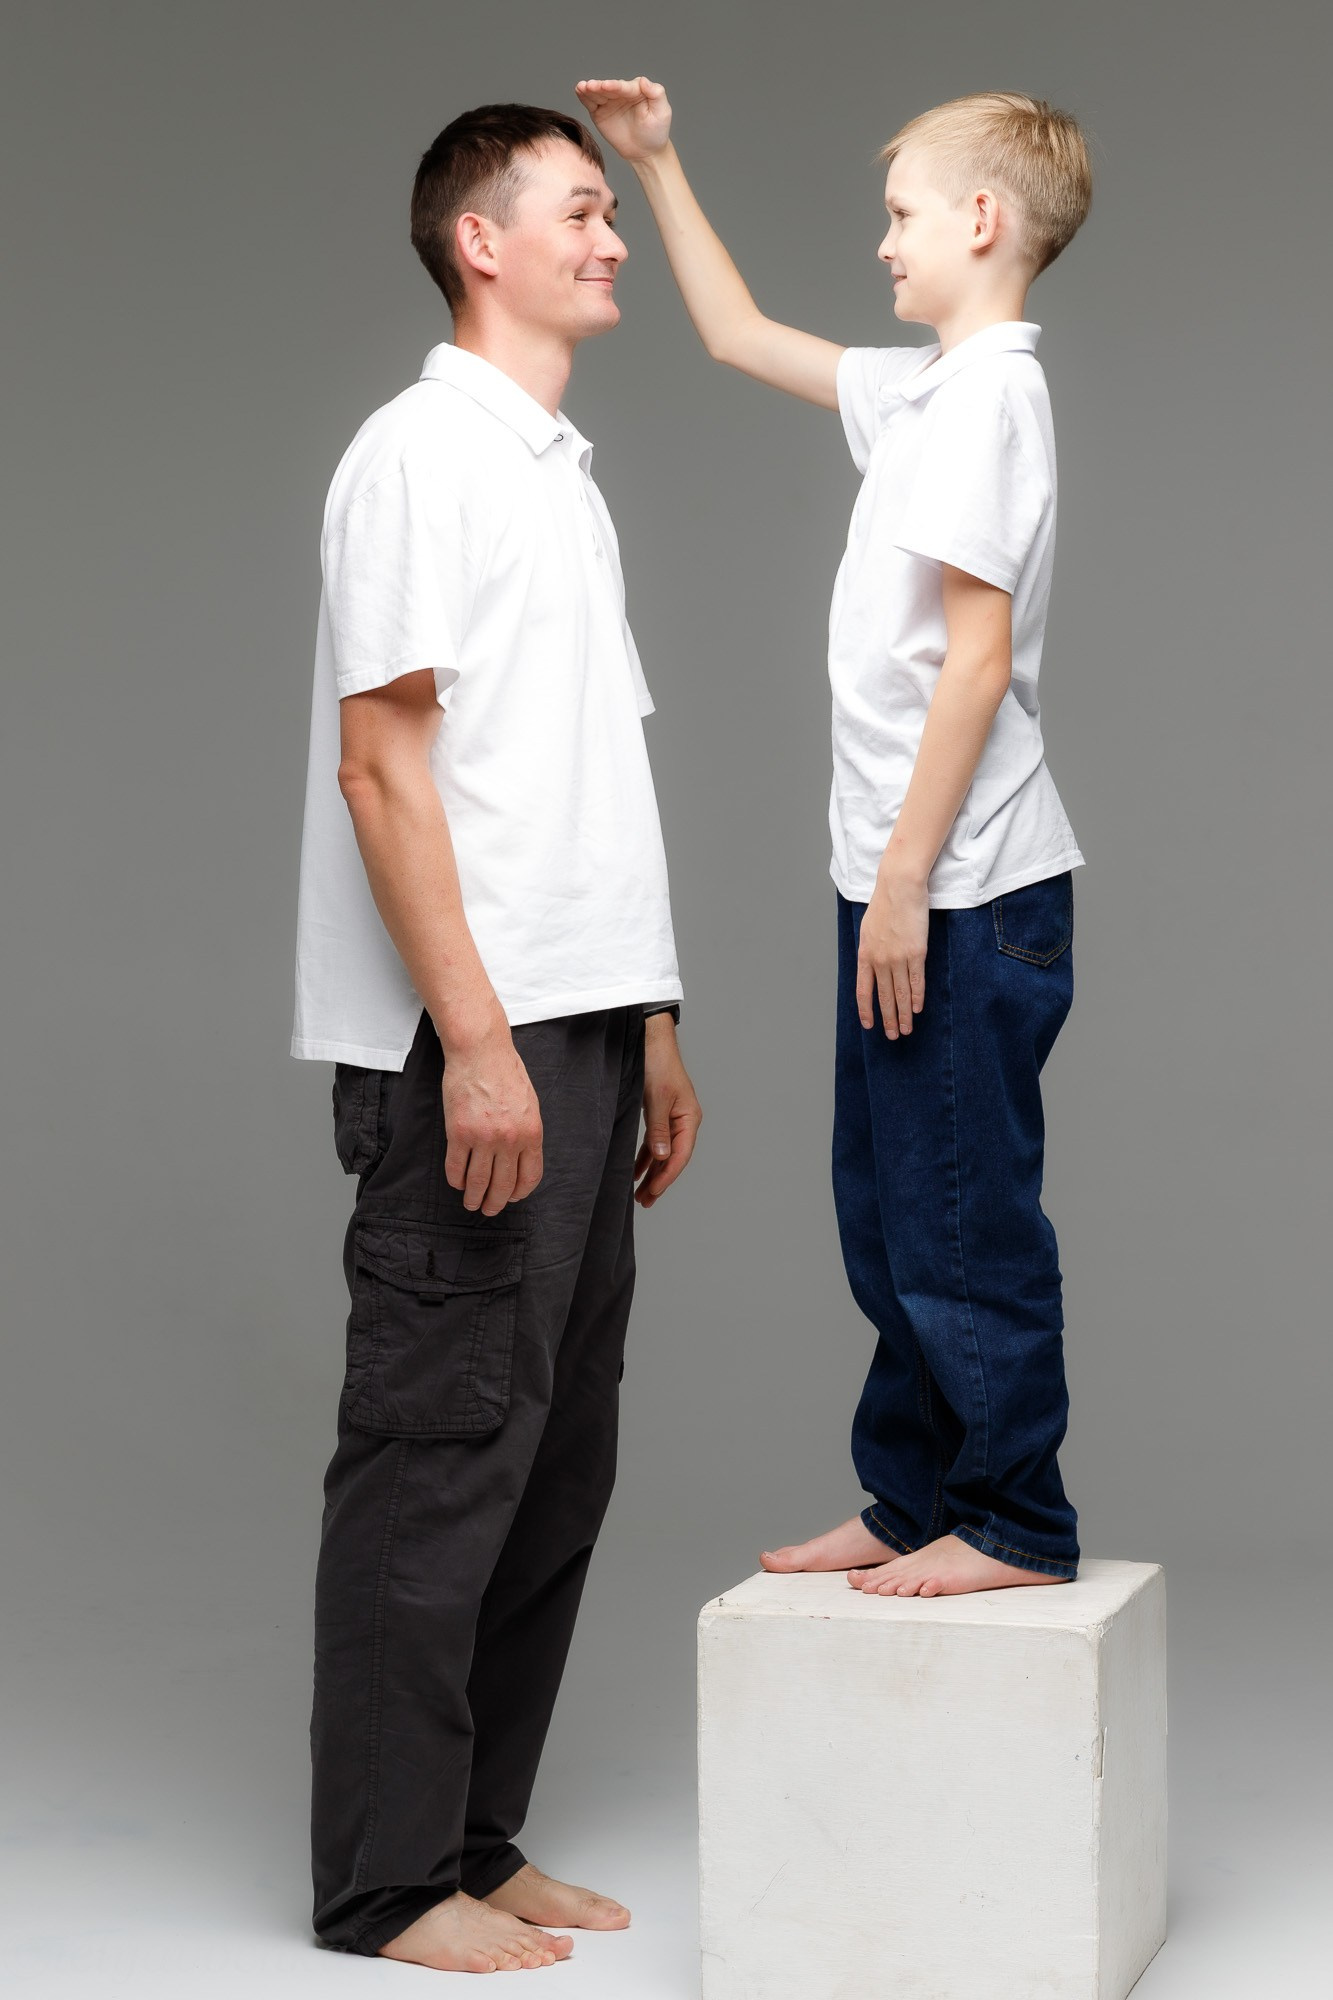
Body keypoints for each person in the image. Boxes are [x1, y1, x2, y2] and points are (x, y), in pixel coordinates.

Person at [578, 77, 1090, 1599]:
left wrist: (906, 881)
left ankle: (1014, 1519)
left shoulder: (989, 401)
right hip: (899, 877)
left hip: (959, 885)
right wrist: (657, 163)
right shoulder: (925, 391)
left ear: (981, 220)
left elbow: (975, 662)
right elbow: (739, 335)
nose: (882, 243)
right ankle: (914, 1491)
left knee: (960, 1216)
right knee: (889, 1210)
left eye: (901, 215)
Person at [291, 102, 702, 1974]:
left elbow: (580, 774)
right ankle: (384, 1886)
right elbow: (384, 767)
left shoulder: (559, 476)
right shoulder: (418, 458)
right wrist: (471, 1042)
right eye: (583, 210)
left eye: (611, 211)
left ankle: (473, 1835)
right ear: (481, 242)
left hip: (583, 1027)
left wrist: (652, 1018)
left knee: (551, 1460)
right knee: (439, 1449)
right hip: (473, 1039)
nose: (610, 241)